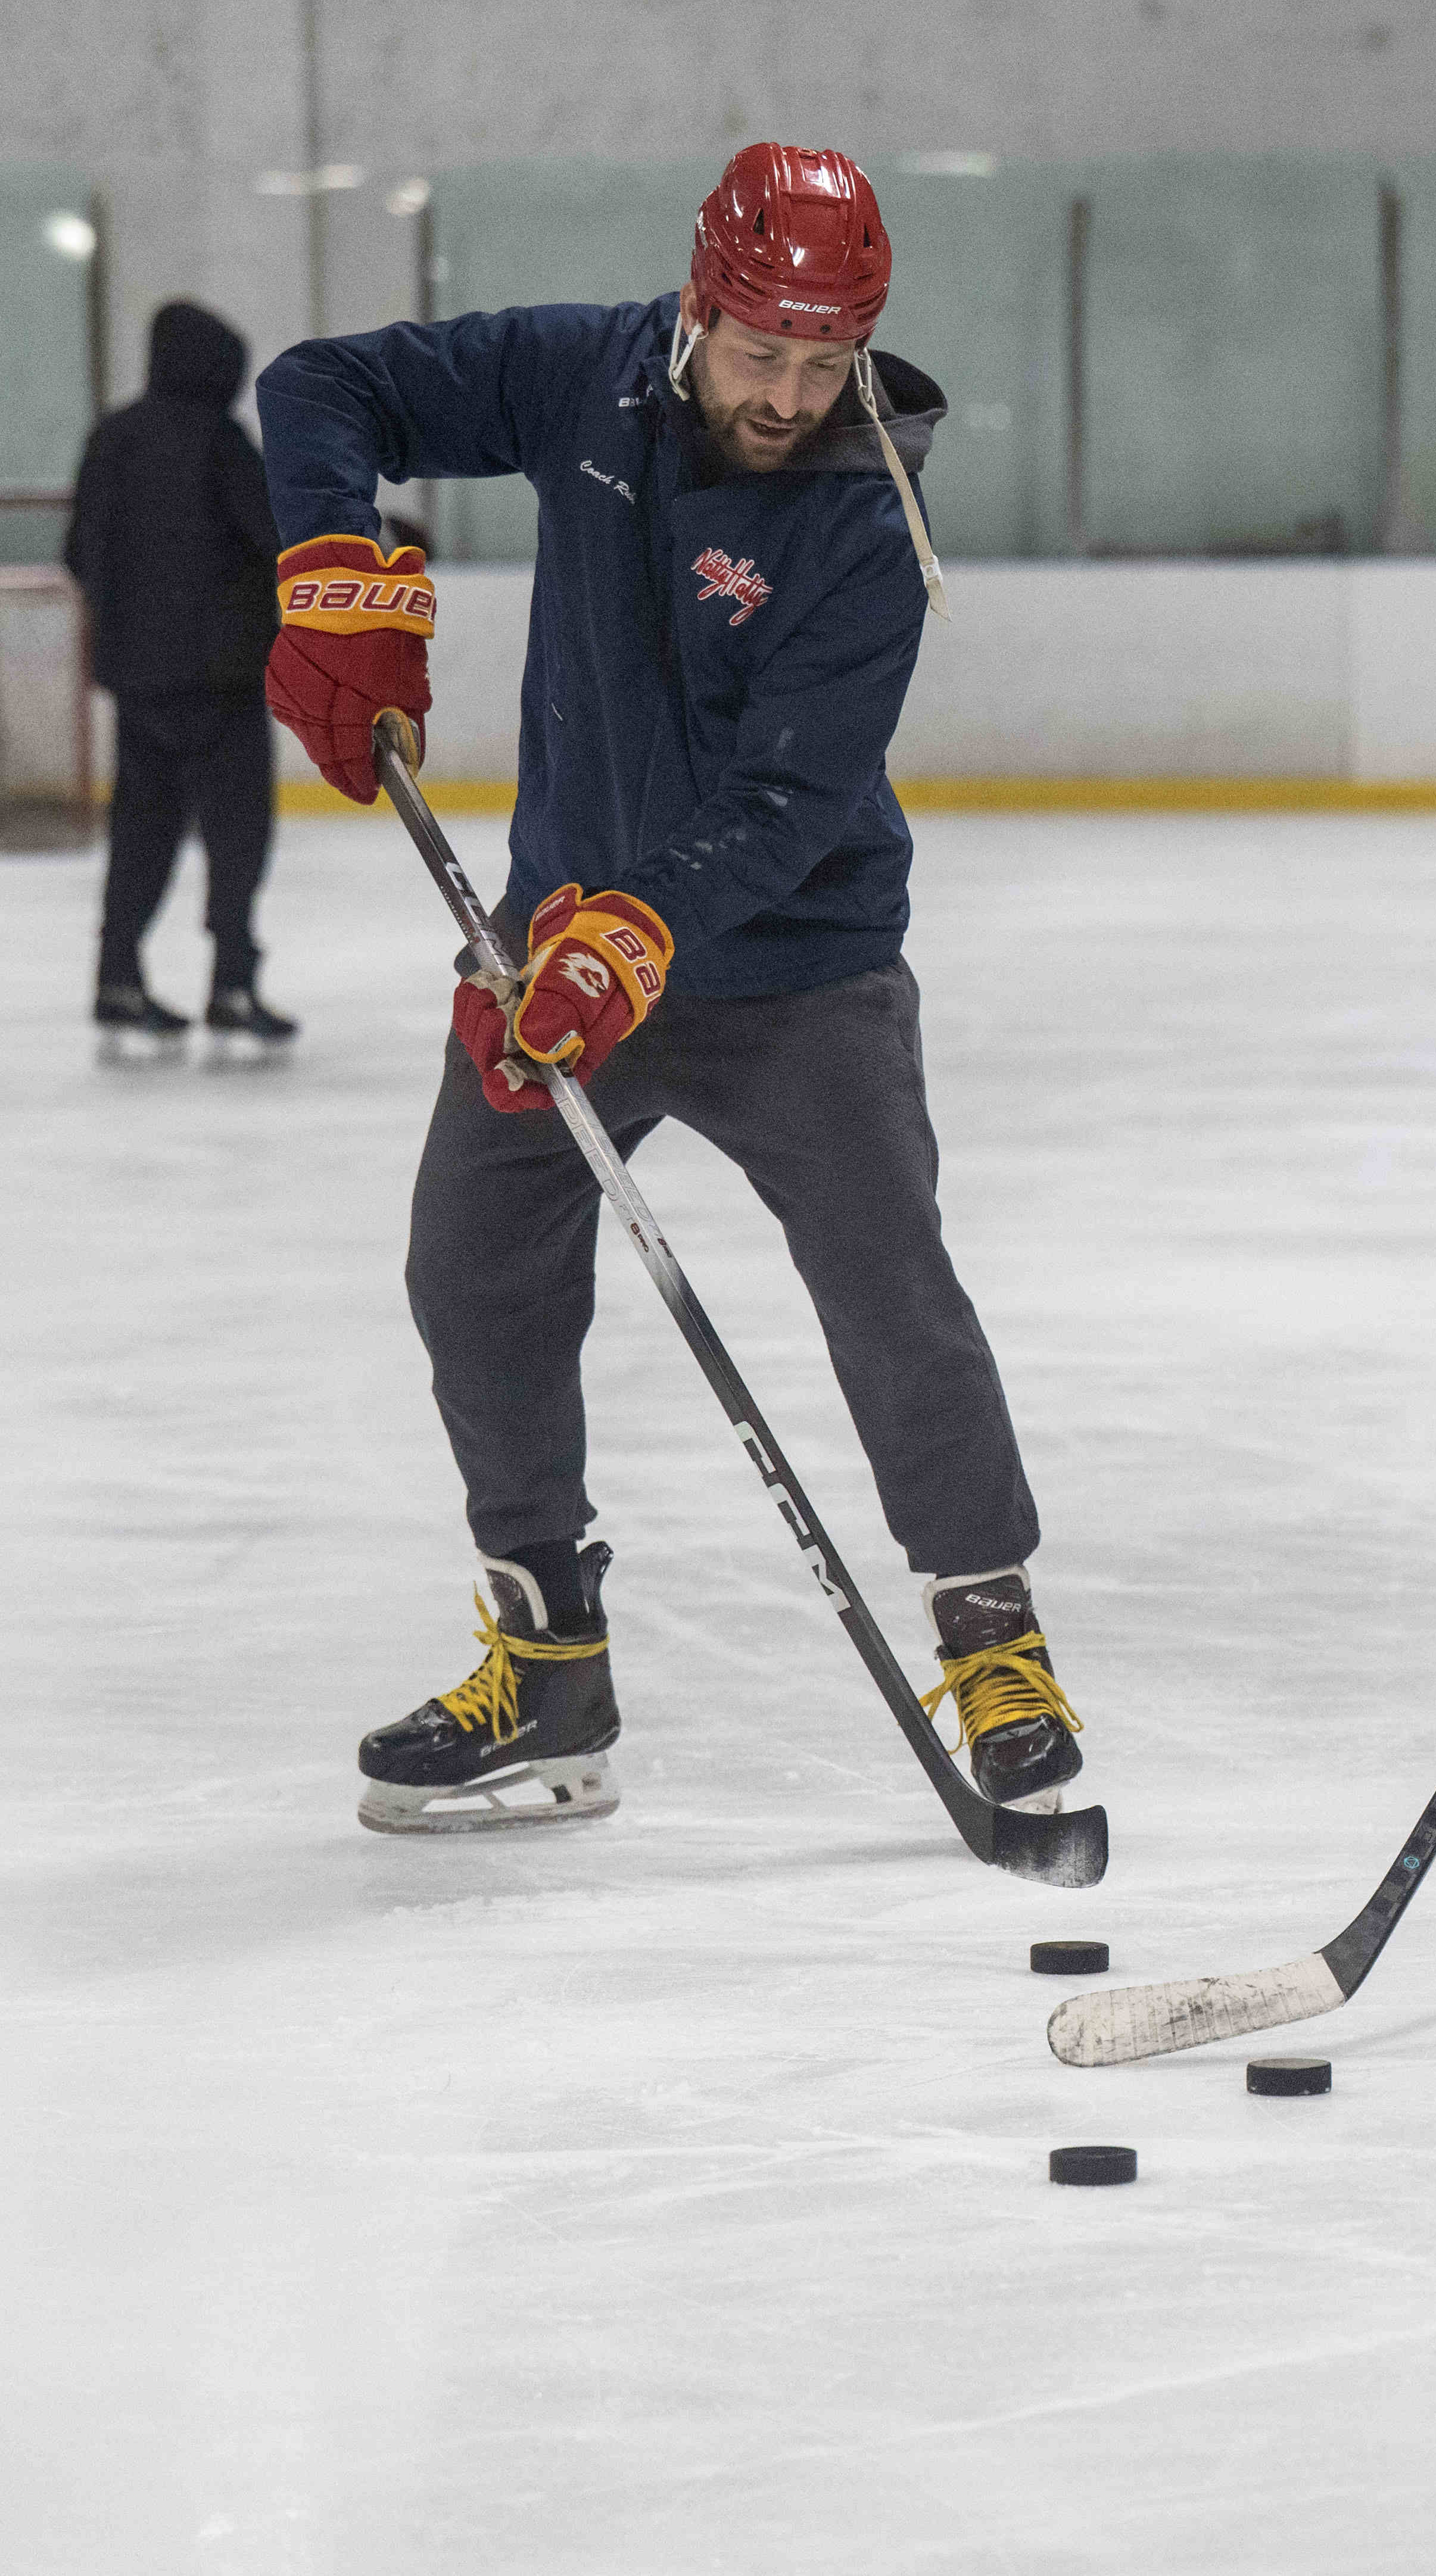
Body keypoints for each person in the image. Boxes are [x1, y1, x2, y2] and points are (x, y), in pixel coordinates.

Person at [256, 141, 1092, 1838]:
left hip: (793, 968)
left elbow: (789, 802)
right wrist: (336, 560)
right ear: (696, 306)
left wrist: (632, 934)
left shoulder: (866, 515)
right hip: (549, 939)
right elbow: (322, 381)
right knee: (470, 1266)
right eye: (758, 348)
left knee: (886, 1282)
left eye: (822, 357)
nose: (788, 393)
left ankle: (991, 1631)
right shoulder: (588, 372)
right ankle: (548, 1658)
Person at [63, 298, 289, 1048]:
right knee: (237, 836)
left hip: (138, 683)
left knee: (141, 833)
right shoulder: (220, 444)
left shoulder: (113, 438)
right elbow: (272, 538)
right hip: (223, 681)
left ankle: (117, 980)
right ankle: (231, 983)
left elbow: (77, 551)